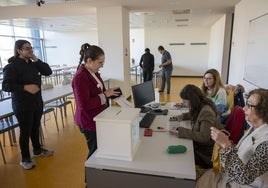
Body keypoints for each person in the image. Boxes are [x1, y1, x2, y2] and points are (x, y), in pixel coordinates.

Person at [196, 88, 268, 188]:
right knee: (191, 174)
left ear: (263, 111)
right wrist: (224, 143)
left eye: (249, 105)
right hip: (228, 178)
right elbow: (240, 155)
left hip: (235, 184)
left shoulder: (266, 144)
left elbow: (244, 177)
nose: (244, 109)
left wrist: (226, 145)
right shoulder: (254, 128)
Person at [2, 39, 53, 170]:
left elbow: (48, 71)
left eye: (31, 48)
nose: (30, 50)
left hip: (36, 101)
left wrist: (35, 59)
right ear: (19, 50)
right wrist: (25, 87)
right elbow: (6, 86)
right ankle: (25, 158)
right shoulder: (11, 66)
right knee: (25, 131)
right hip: (22, 104)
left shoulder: (32, 63)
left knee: (35, 127)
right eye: (27, 48)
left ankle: (37, 150)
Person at [72, 43, 120, 159]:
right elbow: (84, 105)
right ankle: (90, 176)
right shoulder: (81, 77)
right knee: (94, 153)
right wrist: (104, 95)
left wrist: (108, 92)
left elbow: (97, 92)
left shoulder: (92, 73)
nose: (102, 65)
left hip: (98, 117)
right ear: (89, 60)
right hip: (89, 121)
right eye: (100, 62)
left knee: (101, 150)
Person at [169, 84, 223, 169]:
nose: (184, 104)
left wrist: (180, 130)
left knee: (176, 159)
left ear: (192, 100)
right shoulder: (202, 104)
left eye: (185, 102)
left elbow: (204, 137)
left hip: (206, 153)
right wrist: (182, 116)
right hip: (202, 146)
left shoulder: (206, 112)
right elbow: (197, 114)